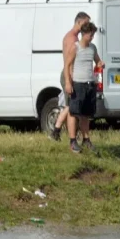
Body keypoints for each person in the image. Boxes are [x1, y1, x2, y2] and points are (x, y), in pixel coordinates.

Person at [51, 12, 91, 142]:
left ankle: (56, 131)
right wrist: (71, 80)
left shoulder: (72, 37)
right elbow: (69, 63)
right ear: (79, 22)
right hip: (70, 74)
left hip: (71, 74)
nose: (87, 26)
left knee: (70, 106)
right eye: (86, 23)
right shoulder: (72, 39)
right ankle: (60, 132)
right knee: (71, 108)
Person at [65, 21, 103, 154]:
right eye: (90, 35)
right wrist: (68, 83)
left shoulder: (92, 48)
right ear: (84, 34)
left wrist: (100, 63)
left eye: (93, 35)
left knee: (86, 114)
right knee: (73, 113)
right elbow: (67, 65)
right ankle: (72, 140)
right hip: (78, 83)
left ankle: (86, 140)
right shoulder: (75, 47)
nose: (92, 37)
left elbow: (97, 61)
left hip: (89, 84)